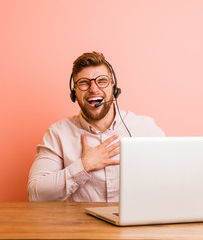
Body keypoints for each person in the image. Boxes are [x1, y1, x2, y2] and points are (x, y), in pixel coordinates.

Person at [27, 51, 165, 202]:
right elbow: (36, 194)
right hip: (81, 225)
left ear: (114, 87)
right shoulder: (58, 134)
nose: (93, 89)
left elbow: (172, 177)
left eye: (102, 80)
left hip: (134, 224)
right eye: (84, 82)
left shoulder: (145, 128)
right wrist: (84, 166)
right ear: (74, 92)